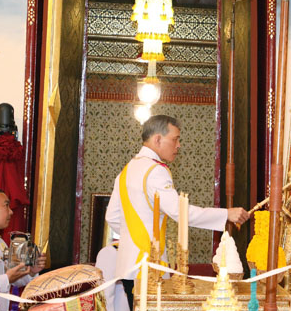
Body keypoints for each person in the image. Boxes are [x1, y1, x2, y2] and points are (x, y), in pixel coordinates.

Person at [106, 114, 250, 279]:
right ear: (158, 139)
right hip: (150, 267)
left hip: (127, 266)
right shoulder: (155, 170)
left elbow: (112, 217)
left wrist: (133, 240)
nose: (179, 145)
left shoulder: (127, 170)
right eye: (175, 139)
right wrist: (226, 214)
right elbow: (180, 212)